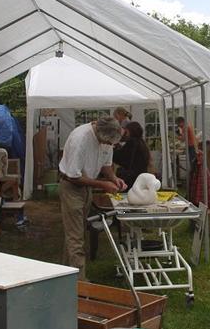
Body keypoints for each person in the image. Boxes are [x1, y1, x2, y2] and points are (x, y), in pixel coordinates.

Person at [58, 116, 126, 280]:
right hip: (71, 187)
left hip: (85, 187)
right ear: (102, 135)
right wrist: (102, 185)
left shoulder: (106, 138)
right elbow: (73, 176)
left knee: (77, 233)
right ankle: (79, 284)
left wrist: (113, 178)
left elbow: (106, 165)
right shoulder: (80, 139)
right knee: (76, 238)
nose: (110, 146)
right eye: (109, 143)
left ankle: (65, 275)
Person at [112, 121, 151, 190]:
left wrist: (113, 148)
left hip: (132, 178)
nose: (125, 134)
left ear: (130, 131)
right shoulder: (141, 142)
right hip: (140, 176)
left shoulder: (132, 142)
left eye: (126, 132)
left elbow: (120, 158)